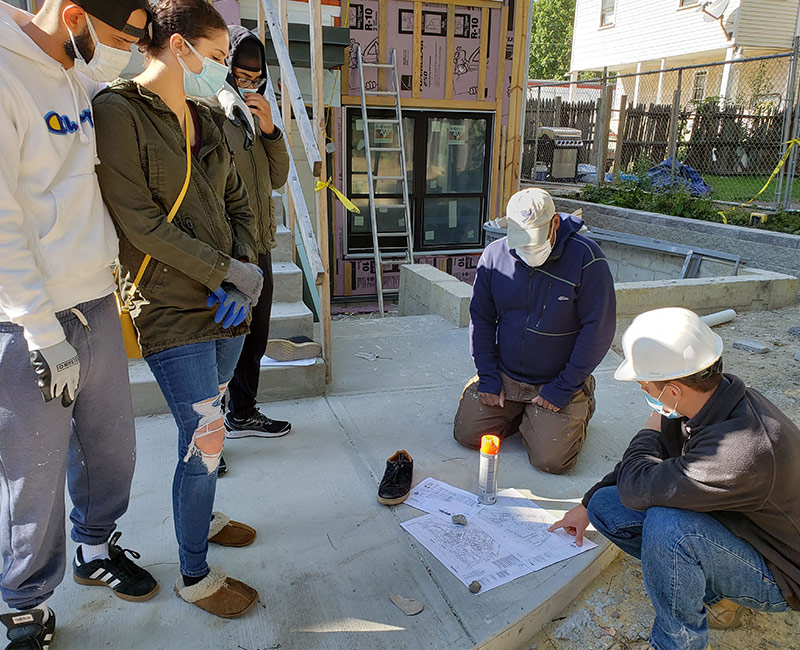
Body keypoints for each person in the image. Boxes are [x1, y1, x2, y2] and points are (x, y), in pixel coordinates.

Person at [92, 0, 263, 618]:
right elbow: (138, 222)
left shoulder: (204, 116)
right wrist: (224, 271)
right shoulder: (117, 111)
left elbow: (241, 200)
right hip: (169, 304)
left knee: (209, 427)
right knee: (205, 434)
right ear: (175, 45)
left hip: (228, 306)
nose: (223, 71)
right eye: (217, 57)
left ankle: (204, 513)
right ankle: (194, 574)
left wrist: (243, 277)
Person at [0, 0, 160, 646]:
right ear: (72, 14)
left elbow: (144, 81)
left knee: (110, 448)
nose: (125, 51)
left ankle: (96, 550)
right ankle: (23, 606)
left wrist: (199, 63)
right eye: (122, 38)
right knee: (30, 476)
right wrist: (41, 333)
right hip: (31, 320)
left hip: (95, 301)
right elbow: (3, 222)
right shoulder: (8, 77)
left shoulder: (75, 70)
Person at [550, 307, 800, 650]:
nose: (641, 386)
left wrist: (651, 424)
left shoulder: (739, 449)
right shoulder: (711, 401)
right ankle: (719, 599)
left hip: (782, 569)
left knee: (670, 529)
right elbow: (640, 472)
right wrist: (586, 502)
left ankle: (677, 642)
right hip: (742, 525)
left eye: (644, 382)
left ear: (673, 391)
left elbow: (641, 485)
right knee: (606, 504)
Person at [454, 188, 616, 474]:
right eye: (521, 241)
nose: (528, 250)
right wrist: (489, 376)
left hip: (556, 377)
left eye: (533, 241)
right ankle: (522, 410)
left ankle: (580, 402)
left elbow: (598, 330)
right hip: (507, 373)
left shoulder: (587, 259)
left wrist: (564, 387)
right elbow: (481, 318)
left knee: (551, 461)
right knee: (468, 436)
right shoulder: (495, 256)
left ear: (554, 223)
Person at [221, 25, 292, 441]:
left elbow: (278, 177)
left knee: (255, 337)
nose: (249, 86)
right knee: (221, 343)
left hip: (259, 244)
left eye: (256, 79)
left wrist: (270, 130)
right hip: (228, 250)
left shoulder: (253, 115)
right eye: (241, 77)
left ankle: (242, 412)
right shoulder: (215, 110)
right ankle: (207, 432)